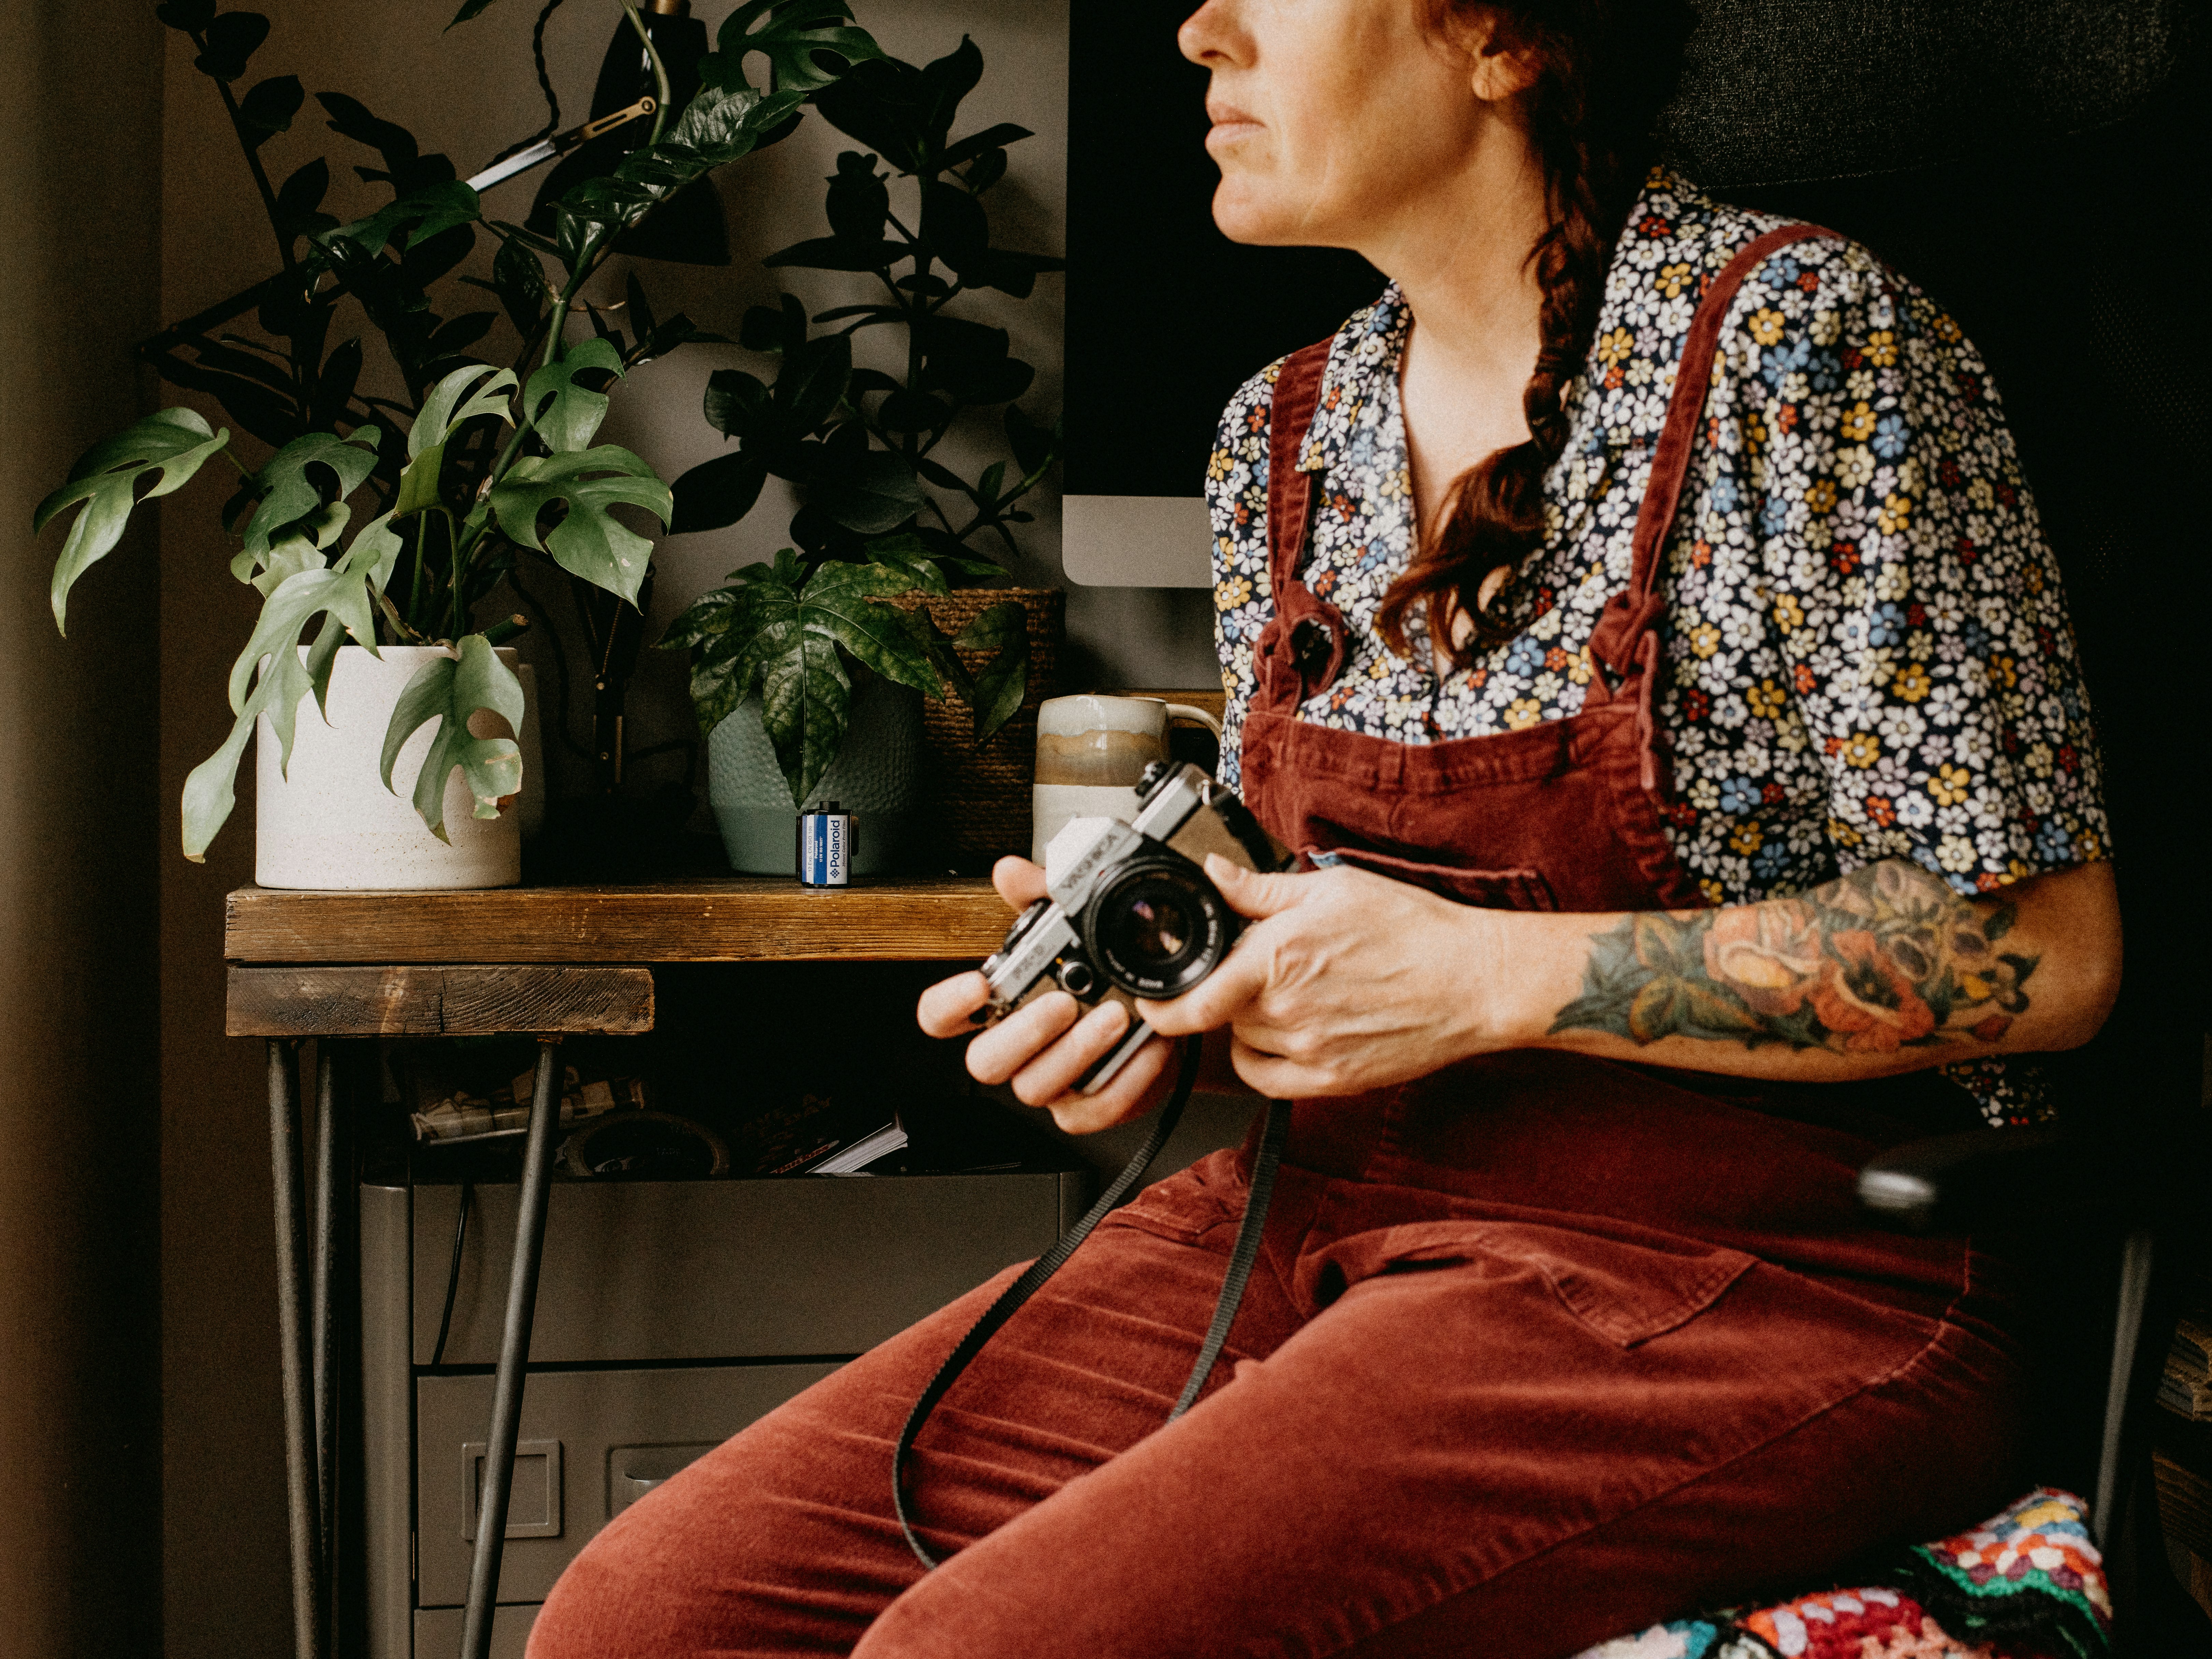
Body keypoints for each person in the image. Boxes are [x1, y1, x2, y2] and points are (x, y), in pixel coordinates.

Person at [528, 1, 2123, 1653]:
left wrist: (1491, 978)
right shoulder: (1281, 433)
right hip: (1336, 1210)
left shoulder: (1805, 345)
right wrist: (1182, 984)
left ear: (1502, 37)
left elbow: (2049, 954)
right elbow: (1341, 954)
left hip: (1775, 1270)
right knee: (646, 1617)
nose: (1200, 28)